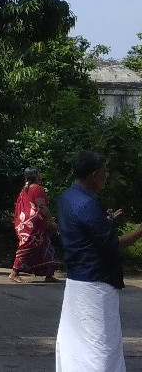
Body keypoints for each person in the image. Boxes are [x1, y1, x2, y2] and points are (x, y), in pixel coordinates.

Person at [55, 151, 142, 371]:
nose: (106, 175)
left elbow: (82, 231)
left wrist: (105, 221)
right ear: (94, 174)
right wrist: (139, 232)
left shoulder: (66, 198)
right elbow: (112, 244)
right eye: (104, 171)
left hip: (76, 280)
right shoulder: (88, 203)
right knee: (100, 343)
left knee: (76, 342)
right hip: (96, 281)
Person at [10, 167, 57, 283]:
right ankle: (14, 272)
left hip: (25, 222)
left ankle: (49, 275)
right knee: (29, 246)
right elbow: (42, 206)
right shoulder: (37, 188)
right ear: (36, 176)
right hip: (34, 223)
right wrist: (51, 220)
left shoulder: (23, 190)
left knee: (45, 246)